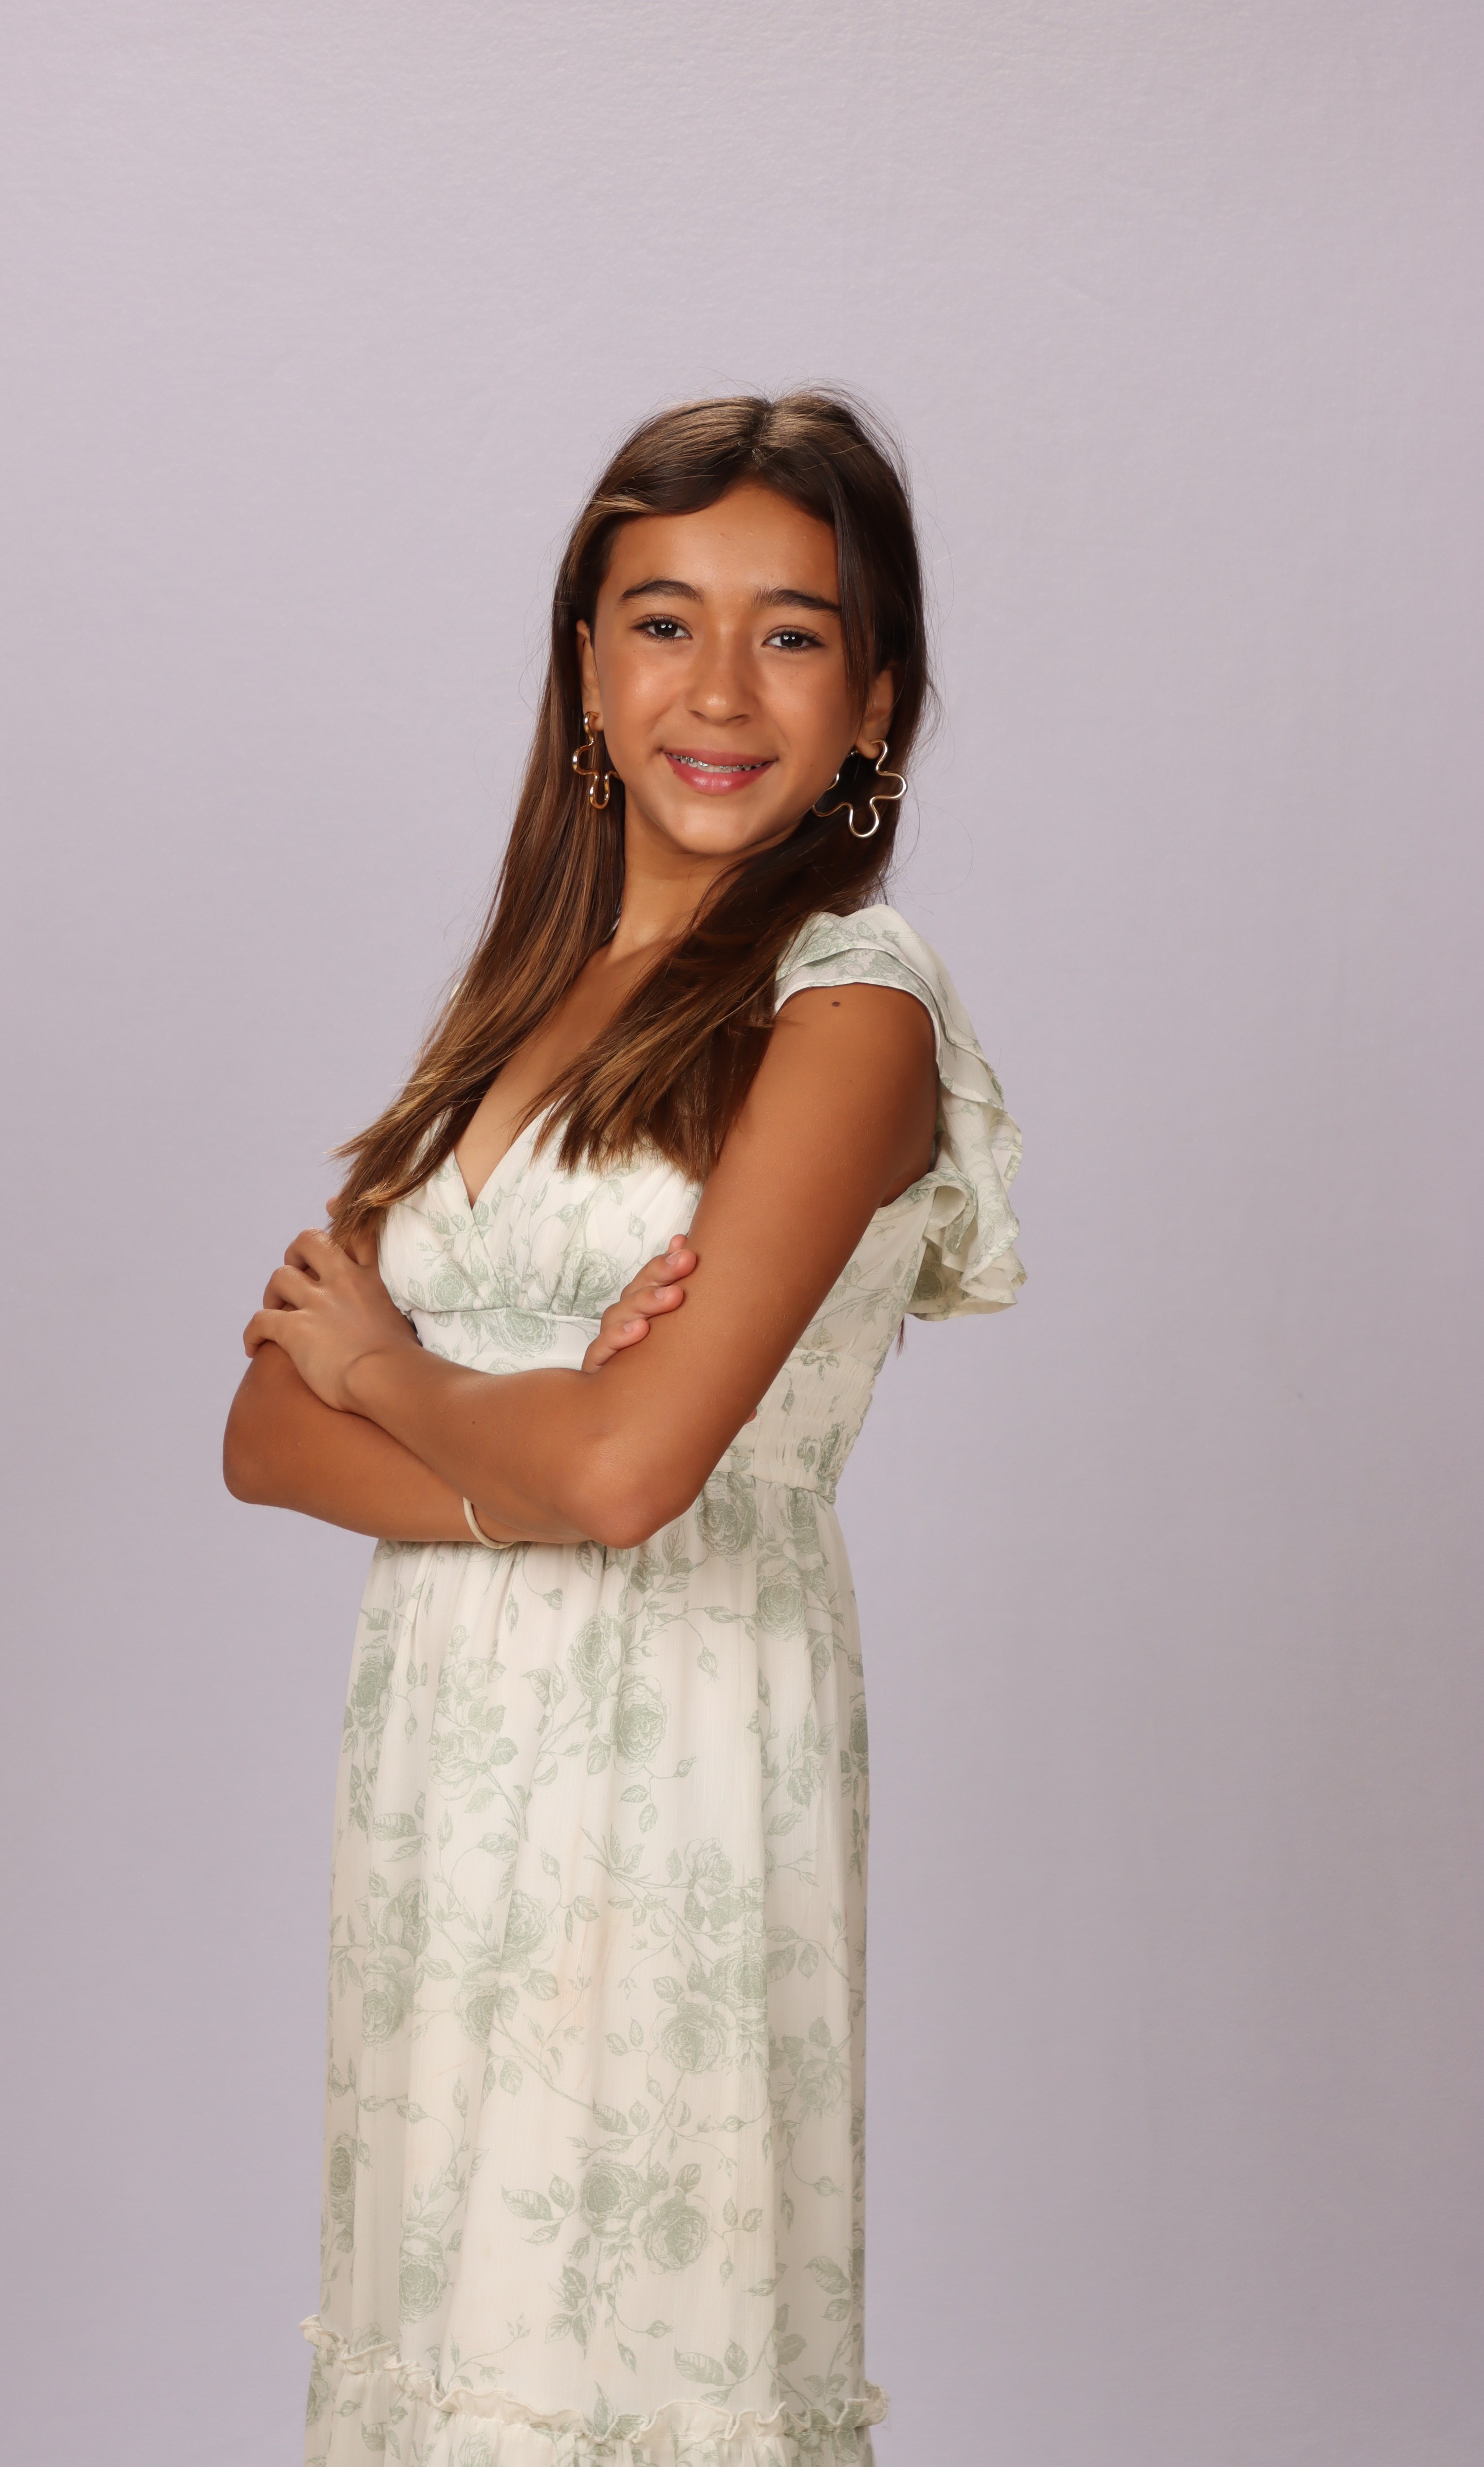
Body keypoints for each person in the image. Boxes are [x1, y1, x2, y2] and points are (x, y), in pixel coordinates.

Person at [224, 390, 1024, 2467]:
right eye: (663, 621)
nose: (718, 688)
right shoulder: (519, 998)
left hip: (674, 1761)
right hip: (445, 1770)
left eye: (791, 632)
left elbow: (628, 1474)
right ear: (586, 669)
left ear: (874, 702)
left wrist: (401, 1379)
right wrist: (537, 1431)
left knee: (620, 2358)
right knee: (450, 2338)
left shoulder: (849, 1011)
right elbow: (261, 1431)